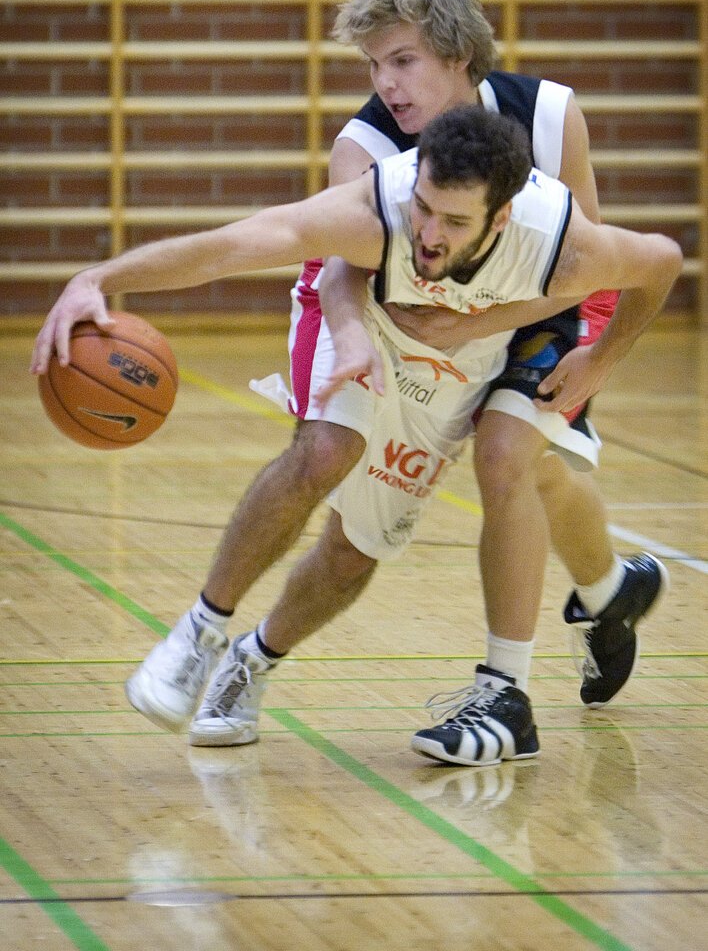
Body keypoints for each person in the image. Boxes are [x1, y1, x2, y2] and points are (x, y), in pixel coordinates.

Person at [32, 104, 681, 766]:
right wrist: (98, 279)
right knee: (325, 451)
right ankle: (199, 634)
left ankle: (252, 659)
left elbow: (661, 262)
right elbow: (238, 242)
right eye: (423, 207)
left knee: (355, 552)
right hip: (371, 325)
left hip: (475, 350)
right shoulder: (379, 213)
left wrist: (600, 360)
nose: (428, 233)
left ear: (502, 218)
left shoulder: (558, 242)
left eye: (454, 221)